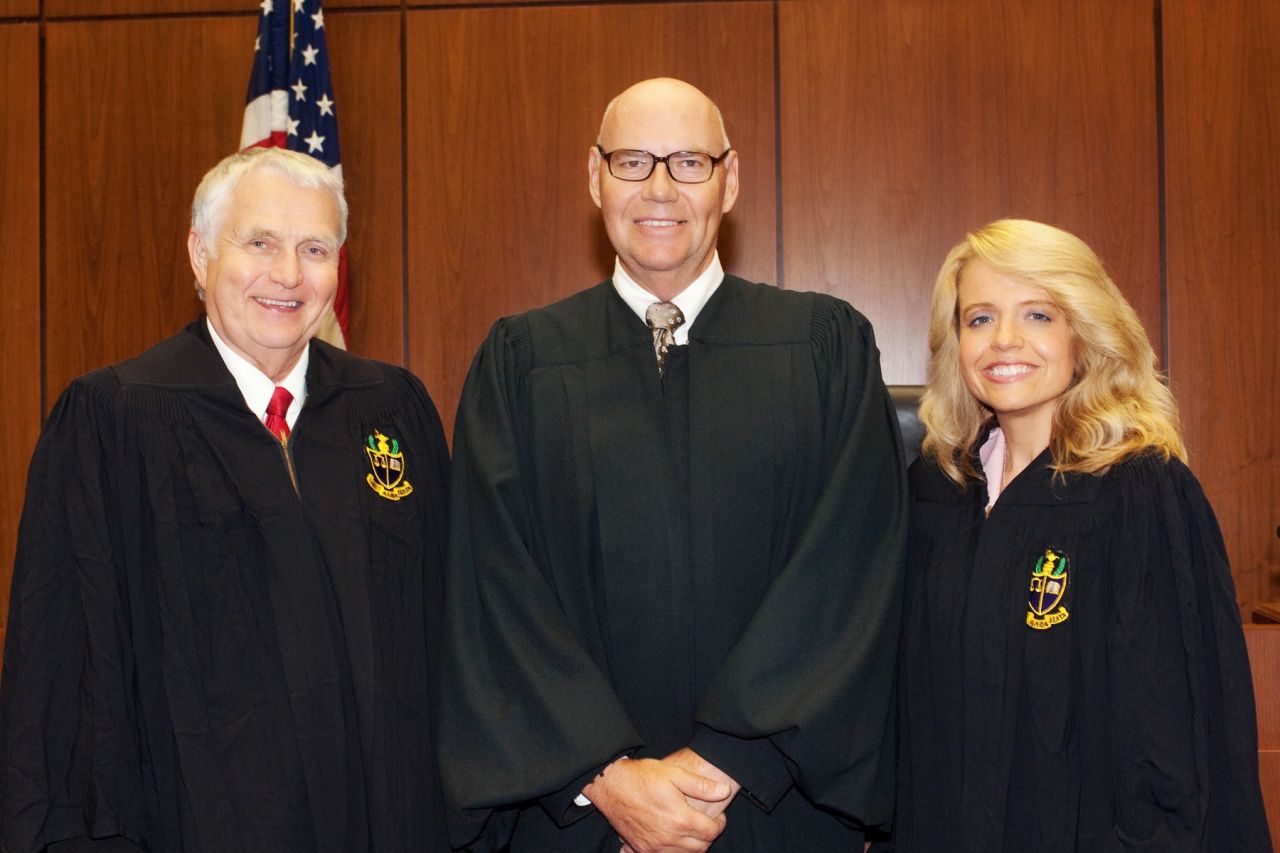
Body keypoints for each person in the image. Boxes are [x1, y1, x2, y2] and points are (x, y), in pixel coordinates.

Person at [438, 77, 907, 853]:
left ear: (731, 178)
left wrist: (719, 768)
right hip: (583, 819)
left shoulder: (826, 347)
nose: (659, 187)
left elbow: (852, 570)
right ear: (595, 177)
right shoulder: (521, 362)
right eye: (632, 161)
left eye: (689, 161)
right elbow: (494, 586)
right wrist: (610, 778)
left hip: (766, 807)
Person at [0, 147, 451, 852]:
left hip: (383, 819)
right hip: (188, 824)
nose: (288, 274)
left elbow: (447, 638)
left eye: (315, 248)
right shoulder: (113, 422)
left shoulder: (391, 410)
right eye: (260, 243)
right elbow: (61, 674)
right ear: (199, 254)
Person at [889, 219, 1271, 850]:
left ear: (1084, 335)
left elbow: (1170, 739)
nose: (1004, 341)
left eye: (1037, 315)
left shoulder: (1140, 492)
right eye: (979, 318)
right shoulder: (935, 492)